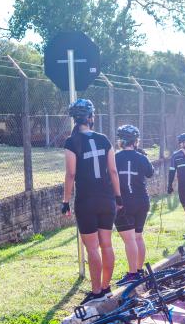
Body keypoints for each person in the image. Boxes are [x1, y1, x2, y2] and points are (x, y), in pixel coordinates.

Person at [61, 99, 122, 303]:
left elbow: (70, 174)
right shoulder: (104, 139)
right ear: (90, 117)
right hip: (107, 199)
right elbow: (113, 170)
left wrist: (65, 201)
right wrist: (118, 197)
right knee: (107, 244)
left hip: (86, 201)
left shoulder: (72, 142)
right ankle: (106, 287)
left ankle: (96, 291)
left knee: (92, 248)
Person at [113, 125, 154, 284]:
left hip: (124, 203)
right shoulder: (141, 157)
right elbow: (150, 173)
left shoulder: (115, 157)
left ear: (121, 141)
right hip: (142, 201)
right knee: (137, 237)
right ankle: (138, 269)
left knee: (130, 239)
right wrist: (143, 156)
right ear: (136, 141)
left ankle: (132, 274)